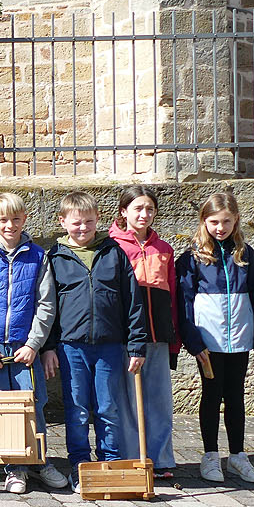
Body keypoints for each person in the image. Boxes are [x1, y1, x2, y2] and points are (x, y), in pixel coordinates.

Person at [0, 191, 68, 493]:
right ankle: (14, 468)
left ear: (24, 219)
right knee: (1, 406)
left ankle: (39, 460)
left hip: (25, 348)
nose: (9, 225)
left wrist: (34, 344)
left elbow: (46, 304)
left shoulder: (38, 256)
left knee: (33, 403)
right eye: (3, 220)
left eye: (15, 219)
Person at [44, 191, 147, 484]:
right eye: (77, 223)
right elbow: (48, 306)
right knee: (76, 409)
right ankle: (79, 464)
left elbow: (132, 302)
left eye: (89, 221)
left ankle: (110, 463)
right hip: (70, 346)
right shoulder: (55, 257)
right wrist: (49, 347)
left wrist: (136, 345)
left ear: (98, 220)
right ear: (63, 221)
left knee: (107, 407)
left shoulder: (113, 253)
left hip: (110, 345)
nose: (83, 228)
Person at [177, 190, 254, 485]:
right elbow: (184, 303)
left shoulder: (245, 254)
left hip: (239, 338)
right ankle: (210, 455)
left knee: (236, 397)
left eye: (226, 222)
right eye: (214, 222)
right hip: (209, 342)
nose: (220, 228)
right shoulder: (192, 258)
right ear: (204, 221)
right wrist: (194, 342)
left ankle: (238, 456)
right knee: (211, 395)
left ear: (236, 221)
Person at [108, 185, 180, 478]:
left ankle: (160, 458)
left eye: (149, 209)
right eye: (137, 208)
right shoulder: (112, 247)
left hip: (158, 334)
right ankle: (132, 457)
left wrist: (173, 339)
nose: (144, 214)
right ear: (124, 211)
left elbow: (172, 294)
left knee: (160, 400)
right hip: (127, 336)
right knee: (128, 401)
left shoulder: (164, 249)